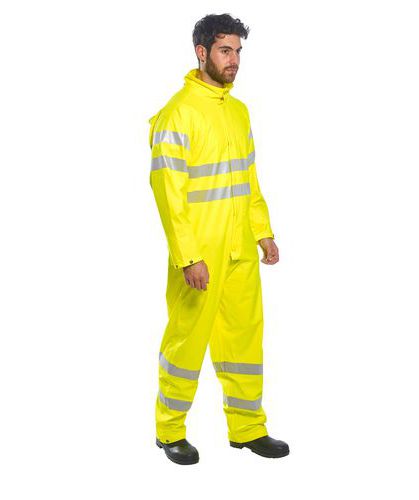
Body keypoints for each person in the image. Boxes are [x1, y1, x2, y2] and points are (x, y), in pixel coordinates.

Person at [148, 13, 289, 465]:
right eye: (225, 51)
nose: (234, 60)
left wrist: (262, 232)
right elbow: (168, 195)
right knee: (186, 342)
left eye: (238, 51)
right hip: (200, 252)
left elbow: (249, 179)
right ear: (201, 52)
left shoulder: (238, 112)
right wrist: (188, 256)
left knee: (244, 339)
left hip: (239, 249)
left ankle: (247, 428)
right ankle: (170, 430)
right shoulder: (178, 114)